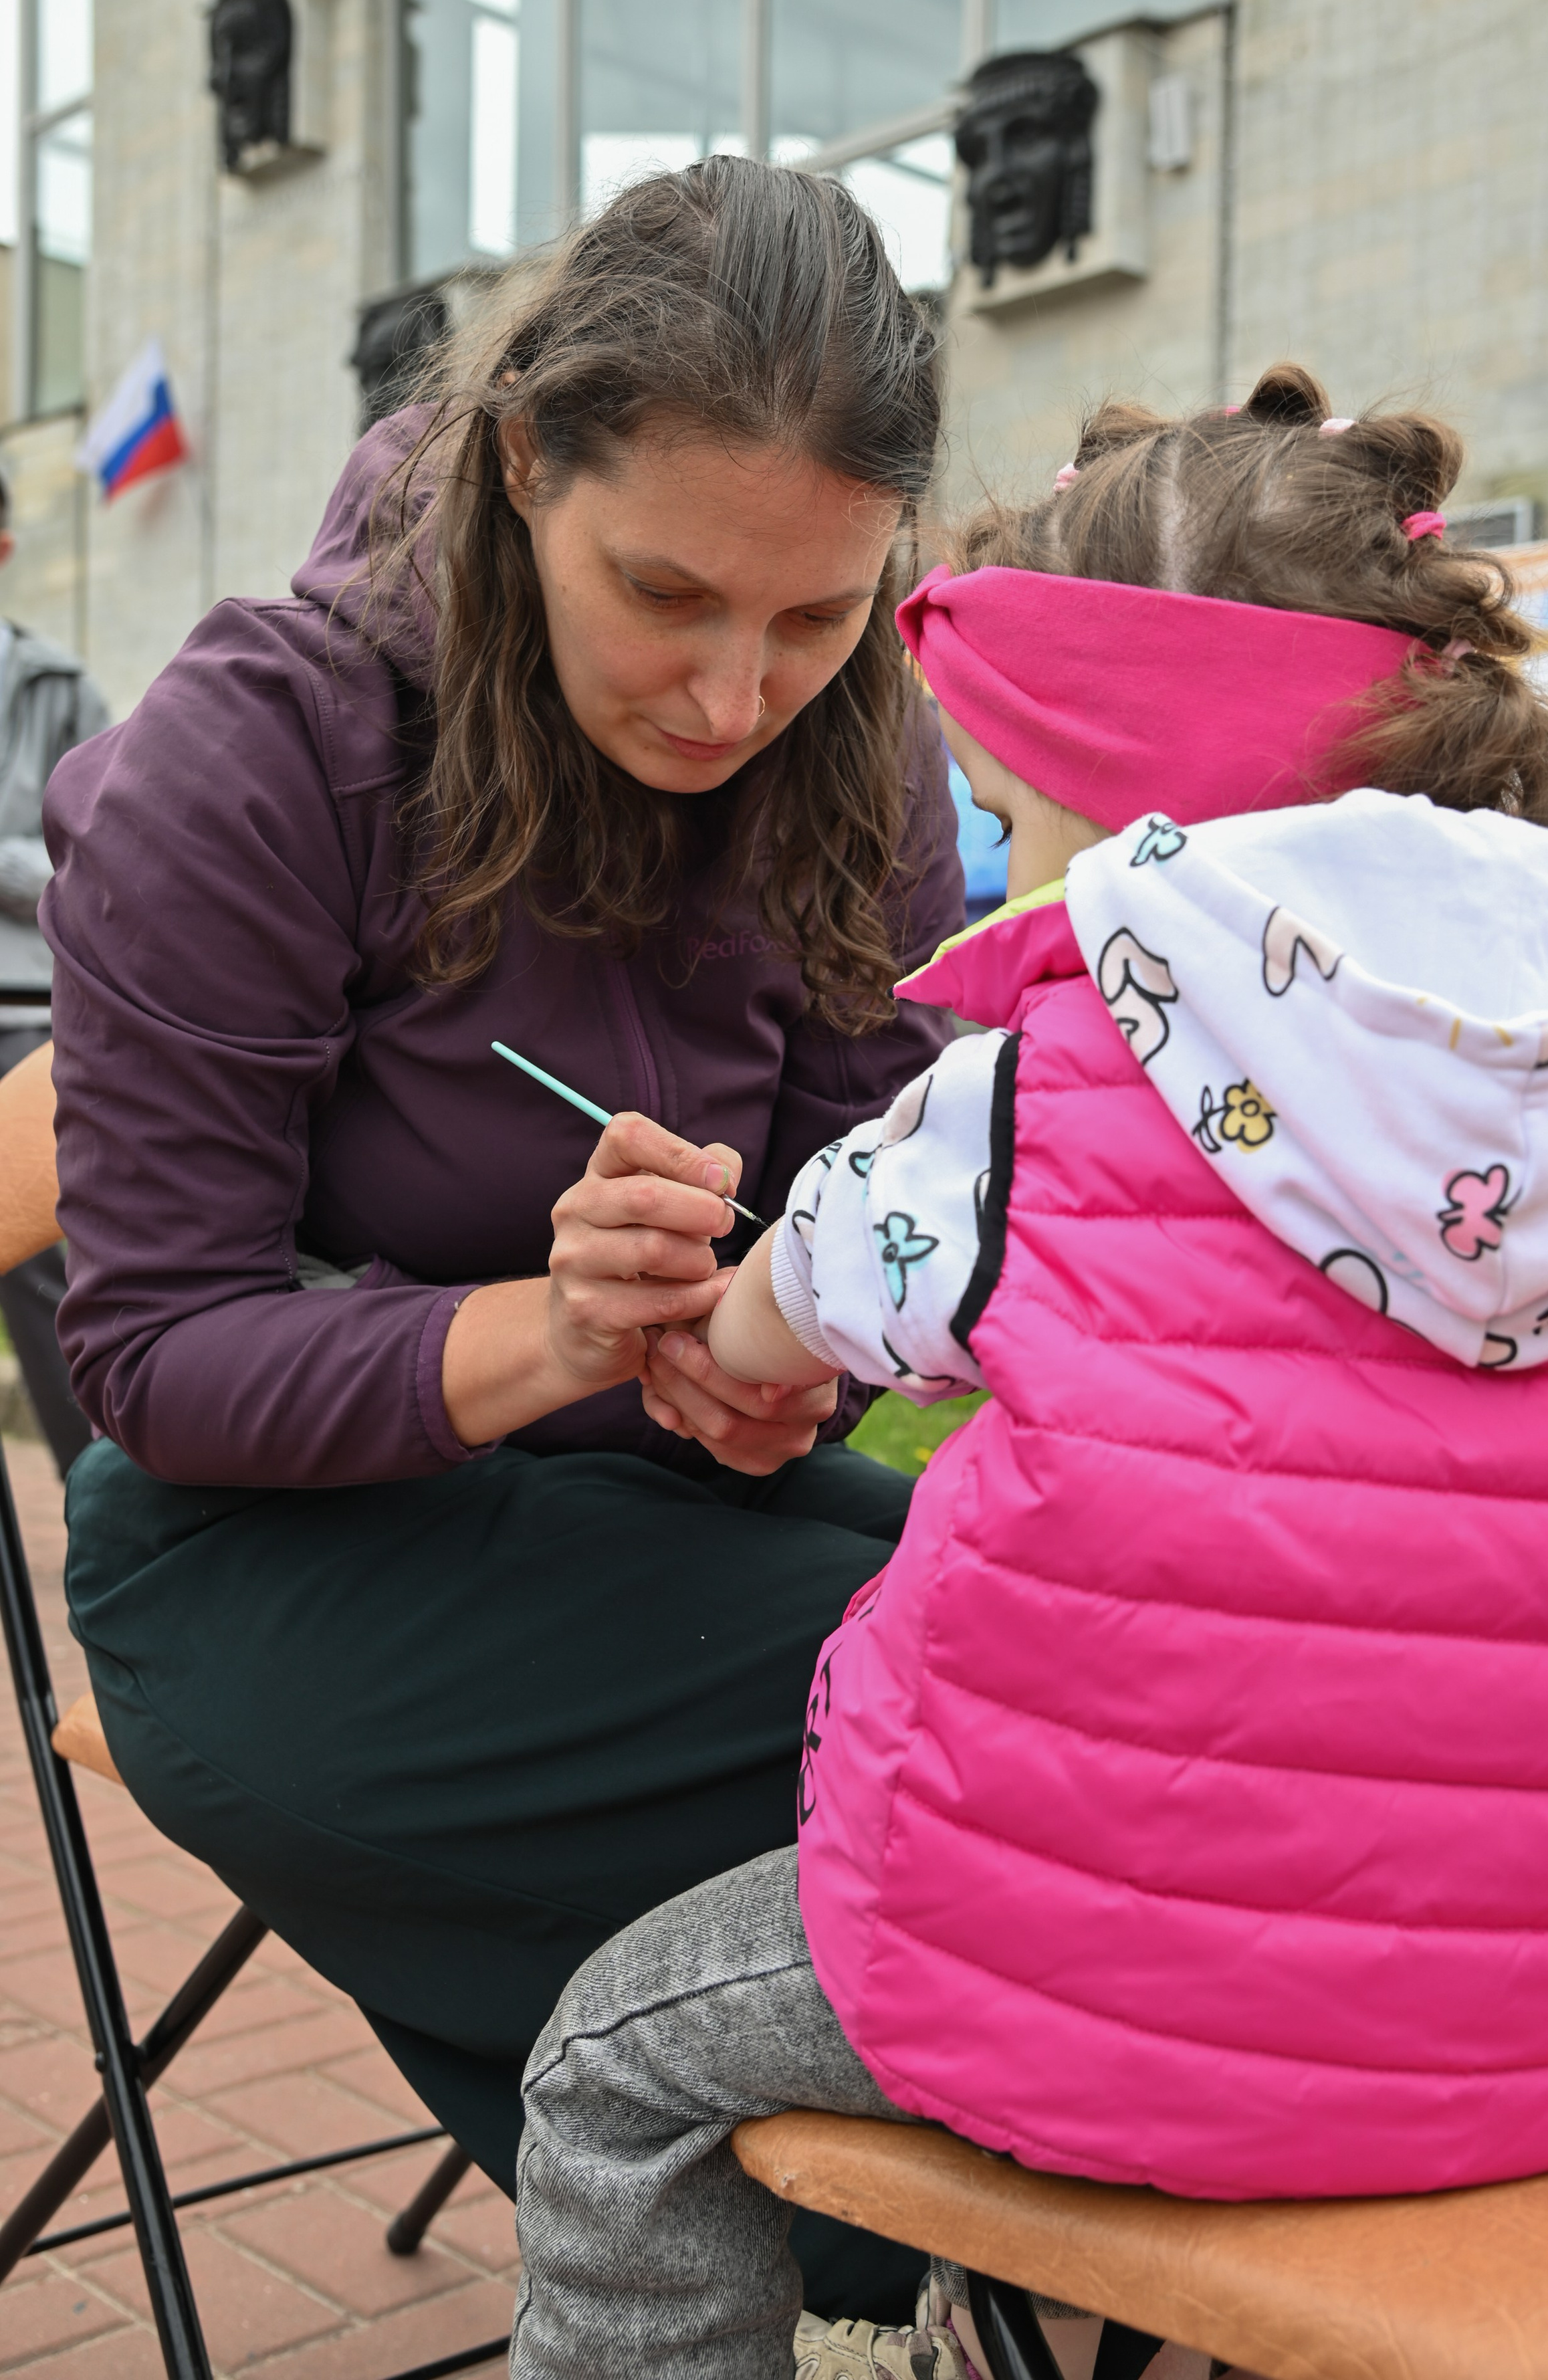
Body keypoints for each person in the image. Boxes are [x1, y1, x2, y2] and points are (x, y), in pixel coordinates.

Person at [508, 366, 1548, 2380]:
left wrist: (700, 1287)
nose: (995, 867)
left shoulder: (1021, 1099)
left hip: (1068, 2001)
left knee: (609, 2077)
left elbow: (756, 1327)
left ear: (1128, 785)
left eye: (1004, 819)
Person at [41, 159, 966, 2322]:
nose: (735, 694)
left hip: (654, 1506)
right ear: (528, 460)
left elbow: (856, 1216)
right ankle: (915, 2255)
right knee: (982, 1737)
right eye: (668, 593)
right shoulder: (270, 748)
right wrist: (551, 1329)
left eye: (816, 616)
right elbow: (156, 1353)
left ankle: (863, 2239)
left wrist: (775, 1364)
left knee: (1103, 1657)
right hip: (270, 1551)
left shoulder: (861, 750)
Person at [0, 467, 104, 1477]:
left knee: (43, 1265)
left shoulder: (58, 686)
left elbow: (105, 857)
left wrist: (8, 865)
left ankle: (104, 1495)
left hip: (26, 1014)